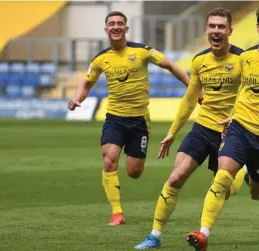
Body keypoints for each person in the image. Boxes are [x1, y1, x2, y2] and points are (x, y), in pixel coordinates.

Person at [186, 4, 259, 251]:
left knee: (256, 191)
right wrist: (232, 114)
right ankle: (203, 234)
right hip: (239, 129)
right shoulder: (246, 57)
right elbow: (242, 89)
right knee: (221, 179)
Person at [134, 8, 249, 249]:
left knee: (222, 188)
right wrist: (172, 133)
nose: (216, 31)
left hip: (231, 133)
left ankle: (254, 181)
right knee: (175, 177)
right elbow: (189, 99)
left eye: (221, 27)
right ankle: (155, 235)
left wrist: (237, 118)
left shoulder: (243, 60)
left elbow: (251, 96)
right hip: (202, 129)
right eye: (212, 26)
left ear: (230, 30)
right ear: (207, 30)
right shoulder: (199, 61)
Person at [67, 11, 191, 226]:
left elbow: (170, 65)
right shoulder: (100, 59)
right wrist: (77, 99)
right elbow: (86, 83)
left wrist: (193, 89)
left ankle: (130, 165)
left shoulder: (142, 51)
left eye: (120, 24)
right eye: (111, 24)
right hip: (114, 118)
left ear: (126, 28)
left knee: (134, 172)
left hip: (139, 121)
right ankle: (117, 212)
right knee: (109, 158)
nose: (116, 27)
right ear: (106, 30)